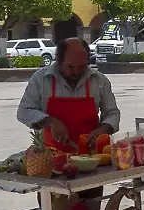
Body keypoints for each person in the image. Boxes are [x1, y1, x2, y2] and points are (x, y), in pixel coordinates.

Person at [17, 38, 120, 198]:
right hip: (50, 163)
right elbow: (24, 111)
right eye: (70, 67)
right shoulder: (40, 79)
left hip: (90, 163)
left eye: (82, 66)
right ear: (58, 60)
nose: (76, 72)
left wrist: (103, 129)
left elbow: (112, 113)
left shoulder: (99, 81)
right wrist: (50, 121)